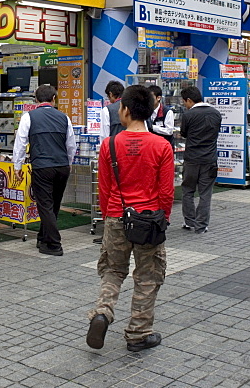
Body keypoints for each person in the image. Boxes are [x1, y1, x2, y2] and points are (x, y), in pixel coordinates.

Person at [85, 85, 173, 352]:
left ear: (124, 110)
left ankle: (103, 312)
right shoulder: (161, 145)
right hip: (149, 219)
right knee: (148, 276)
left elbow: (105, 187)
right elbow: (166, 192)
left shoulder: (109, 144)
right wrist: (163, 220)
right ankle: (138, 332)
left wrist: (109, 214)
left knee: (113, 270)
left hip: (115, 216)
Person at [12, 84, 77, 256]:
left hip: (42, 166)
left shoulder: (29, 117)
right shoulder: (64, 118)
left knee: (45, 205)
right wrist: (69, 162)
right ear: (54, 99)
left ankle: (54, 244)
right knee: (54, 203)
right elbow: (71, 144)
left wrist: (17, 166)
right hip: (62, 166)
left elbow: (20, 143)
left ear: (36, 100)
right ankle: (43, 237)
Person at [179, 86, 221, 233]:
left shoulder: (188, 115)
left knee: (188, 190)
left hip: (191, 158)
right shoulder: (216, 113)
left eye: (185, 102)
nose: (185, 105)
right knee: (205, 193)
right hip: (209, 159)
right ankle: (202, 225)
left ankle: (189, 221)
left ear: (189, 100)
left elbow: (184, 133)